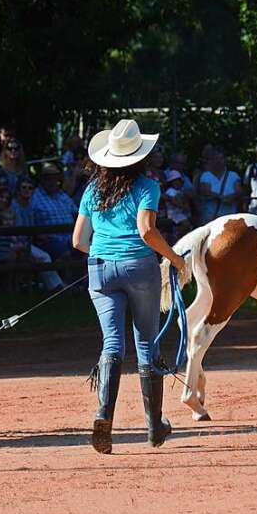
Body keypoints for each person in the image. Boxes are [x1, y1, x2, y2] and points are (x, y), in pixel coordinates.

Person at [72, 120, 187, 455]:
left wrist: (105, 251)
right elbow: (147, 231)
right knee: (147, 343)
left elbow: (79, 240)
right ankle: (154, 427)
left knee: (112, 344)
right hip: (139, 268)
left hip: (99, 270)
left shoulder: (92, 190)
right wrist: (176, 259)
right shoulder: (147, 187)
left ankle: (103, 417)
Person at [12, 179, 63, 292]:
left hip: (29, 242)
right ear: (18, 190)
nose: (27, 190)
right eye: (24, 187)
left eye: (30, 188)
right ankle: (56, 288)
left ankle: (57, 285)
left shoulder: (30, 206)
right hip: (15, 243)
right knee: (44, 257)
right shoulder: (13, 206)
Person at [29, 162, 77, 260]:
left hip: (71, 238)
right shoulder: (34, 198)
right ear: (42, 180)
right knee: (63, 251)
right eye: (48, 178)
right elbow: (30, 221)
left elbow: (77, 214)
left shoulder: (63, 196)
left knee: (88, 248)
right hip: (50, 241)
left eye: (55, 178)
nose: (52, 182)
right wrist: (39, 235)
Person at [198, 148, 243, 224]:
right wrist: (221, 197)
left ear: (225, 160)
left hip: (229, 217)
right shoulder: (206, 175)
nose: (218, 161)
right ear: (211, 161)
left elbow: (239, 191)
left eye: (221, 158)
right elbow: (205, 191)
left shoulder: (233, 175)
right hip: (211, 217)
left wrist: (232, 197)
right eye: (216, 158)